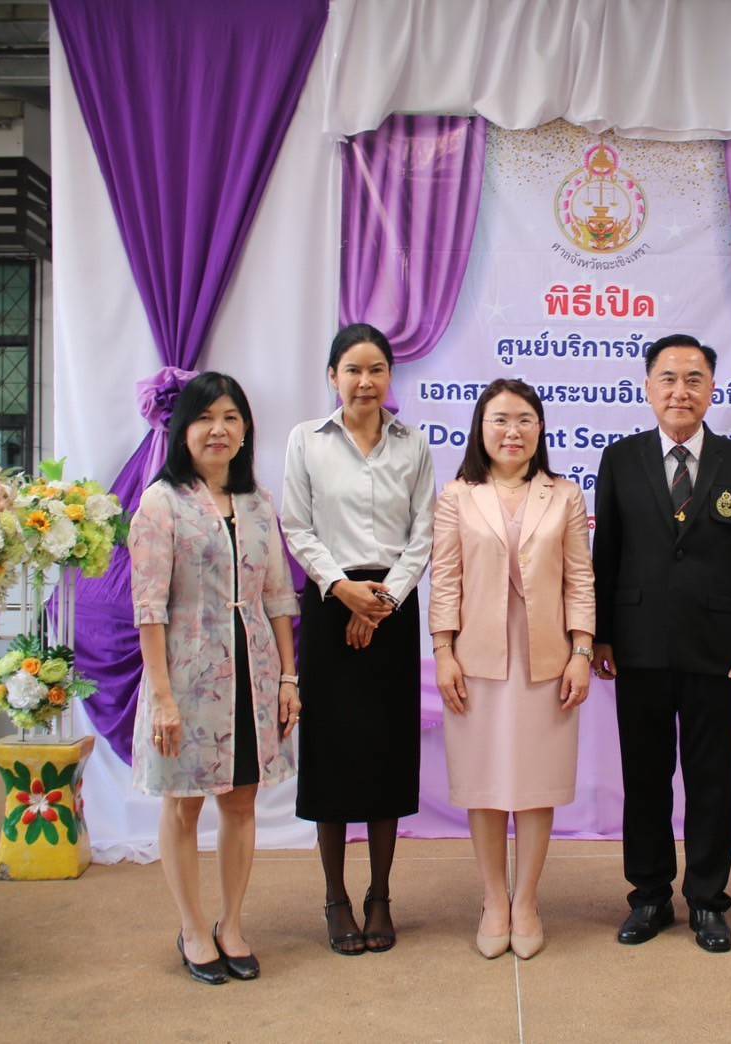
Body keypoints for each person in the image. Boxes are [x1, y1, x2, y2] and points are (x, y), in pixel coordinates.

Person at [591, 334, 731, 954]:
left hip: (716, 650)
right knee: (645, 778)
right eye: (668, 378)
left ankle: (707, 900)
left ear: (712, 389)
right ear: (648, 388)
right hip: (637, 648)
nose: (680, 390)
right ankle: (648, 896)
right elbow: (606, 556)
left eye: (694, 379)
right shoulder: (620, 459)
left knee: (710, 779)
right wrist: (601, 636)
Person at [129, 371, 301, 985]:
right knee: (183, 805)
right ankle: (193, 927)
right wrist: (162, 698)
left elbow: (279, 596)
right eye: (205, 418)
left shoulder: (258, 503)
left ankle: (232, 924)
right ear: (183, 430)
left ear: (245, 429)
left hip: (252, 676)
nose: (218, 429)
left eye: (230, 417)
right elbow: (148, 608)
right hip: (185, 676)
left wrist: (288, 678)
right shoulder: (162, 503)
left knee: (242, 800)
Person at [281, 323, 435, 955]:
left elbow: (423, 534)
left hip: (392, 609)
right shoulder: (306, 440)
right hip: (329, 605)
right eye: (353, 370)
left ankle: (380, 897)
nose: (365, 382)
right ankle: (335, 898)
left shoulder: (413, 445)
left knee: (385, 751)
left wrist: (382, 602)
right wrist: (343, 590)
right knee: (331, 753)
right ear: (333, 377)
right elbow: (297, 526)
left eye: (376, 370)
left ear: (390, 376)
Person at [430, 379, 595, 960]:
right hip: (476, 658)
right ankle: (493, 899)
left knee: (534, 782)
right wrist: (443, 651)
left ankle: (526, 900)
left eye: (524, 420)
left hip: (546, 657)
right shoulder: (457, 496)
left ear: (540, 428)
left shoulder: (564, 495)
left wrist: (581, 651)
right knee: (484, 781)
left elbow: (580, 578)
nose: (512, 432)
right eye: (499, 420)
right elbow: (444, 579)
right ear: (481, 428)